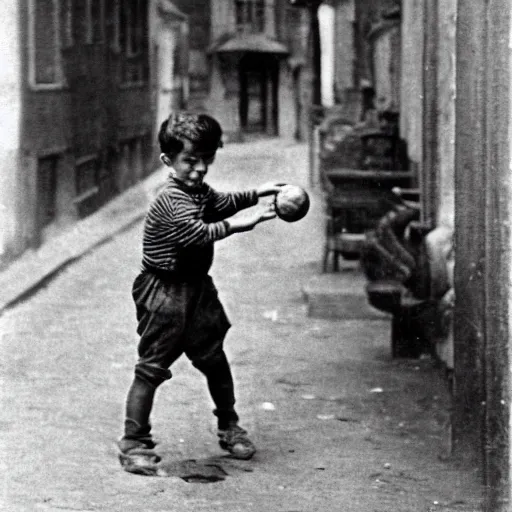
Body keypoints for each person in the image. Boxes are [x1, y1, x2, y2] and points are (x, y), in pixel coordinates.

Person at [117, 112, 283, 475]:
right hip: (164, 293)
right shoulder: (170, 199)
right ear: (168, 161)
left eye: (206, 160)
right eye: (190, 161)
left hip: (197, 291)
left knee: (215, 360)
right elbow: (196, 232)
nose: (199, 169)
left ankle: (229, 426)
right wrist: (246, 222)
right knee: (151, 369)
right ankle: (133, 443)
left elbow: (220, 203)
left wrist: (258, 193)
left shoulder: (198, 191)